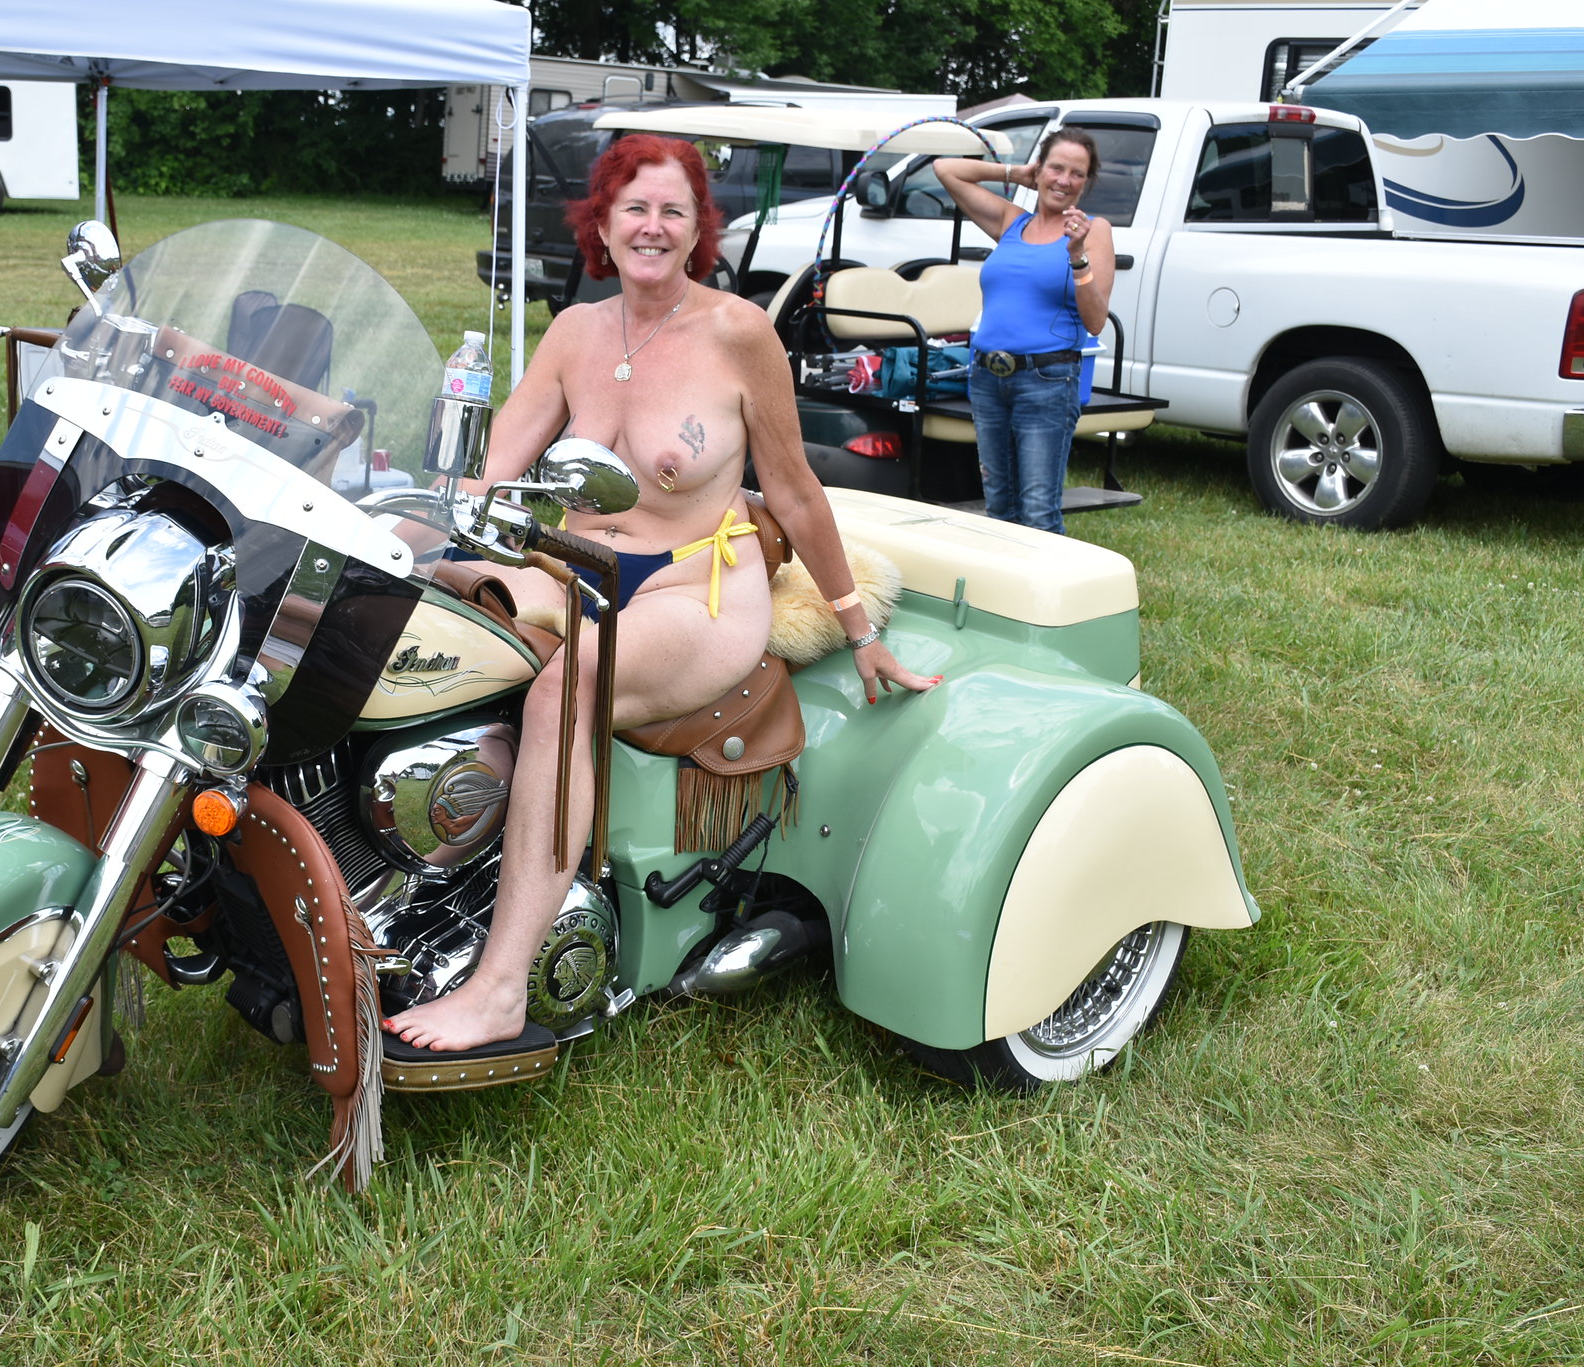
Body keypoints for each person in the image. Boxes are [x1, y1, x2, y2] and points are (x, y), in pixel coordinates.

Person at [386, 134, 934, 1056]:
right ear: (602, 221)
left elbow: (793, 488)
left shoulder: (737, 333)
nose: (652, 225)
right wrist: (389, 529)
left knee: (569, 688)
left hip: (697, 586)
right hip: (570, 565)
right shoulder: (576, 332)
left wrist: (856, 620)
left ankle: (500, 988)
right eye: (634, 207)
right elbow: (488, 476)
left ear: (697, 230)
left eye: (673, 210)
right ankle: (401, 878)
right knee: (418, 634)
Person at [935, 130, 1115, 535]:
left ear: (1086, 183)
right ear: (1040, 169)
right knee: (999, 505)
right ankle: (1003, 598)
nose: (1064, 180)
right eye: (1056, 167)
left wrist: (1077, 257)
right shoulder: (1011, 222)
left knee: (1037, 510)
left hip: (1047, 381)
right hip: (986, 377)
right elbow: (946, 169)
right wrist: (1016, 173)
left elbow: (1096, 321)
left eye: (1077, 173)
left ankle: (1050, 597)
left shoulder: (1093, 230)